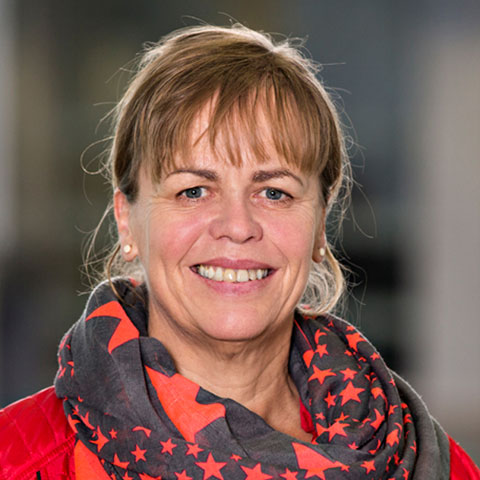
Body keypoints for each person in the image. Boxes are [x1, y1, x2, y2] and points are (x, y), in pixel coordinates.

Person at [0, 24, 478, 480]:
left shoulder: (427, 461)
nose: (237, 227)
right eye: (193, 191)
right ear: (127, 219)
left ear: (319, 225)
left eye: (274, 192)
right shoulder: (15, 460)